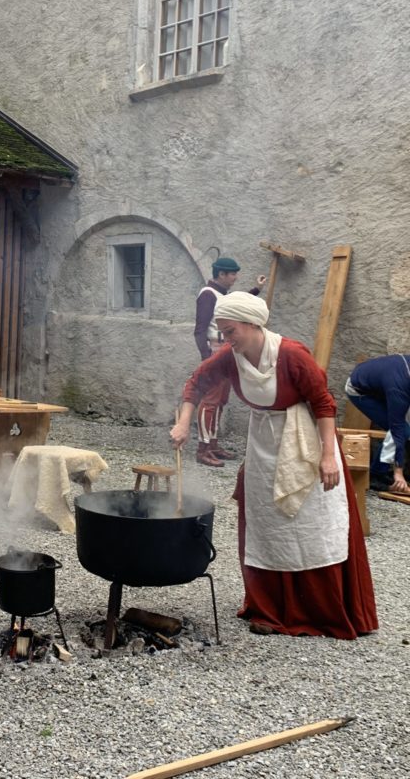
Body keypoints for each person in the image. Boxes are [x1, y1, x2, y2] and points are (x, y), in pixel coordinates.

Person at [172, 291, 377, 639]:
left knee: (309, 522)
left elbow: (324, 405)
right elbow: (197, 382)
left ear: (253, 325)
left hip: (306, 441)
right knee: (267, 522)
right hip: (264, 441)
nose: (225, 339)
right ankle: (269, 607)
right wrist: (183, 422)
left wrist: (329, 456)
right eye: (222, 332)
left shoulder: (292, 354)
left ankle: (317, 609)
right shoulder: (230, 356)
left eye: (231, 331)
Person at [192, 256, 266, 467]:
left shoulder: (220, 295)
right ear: (221, 274)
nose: (235, 277)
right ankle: (203, 449)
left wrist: (256, 289)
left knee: (220, 400)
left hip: (225, 351)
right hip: (215, 352)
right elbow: (199, 330)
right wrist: (207, 359)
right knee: (210, 401)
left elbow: (235, 307)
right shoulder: (207, 295)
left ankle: (213, 445)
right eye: (232, 273)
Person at [345, 355, 410, 494]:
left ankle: (385, 471)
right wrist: (398, 471)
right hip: (359, 389)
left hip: (378, 383)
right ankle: (376, 475)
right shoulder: (399, 387)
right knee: (403, 431)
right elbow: (396, 427)